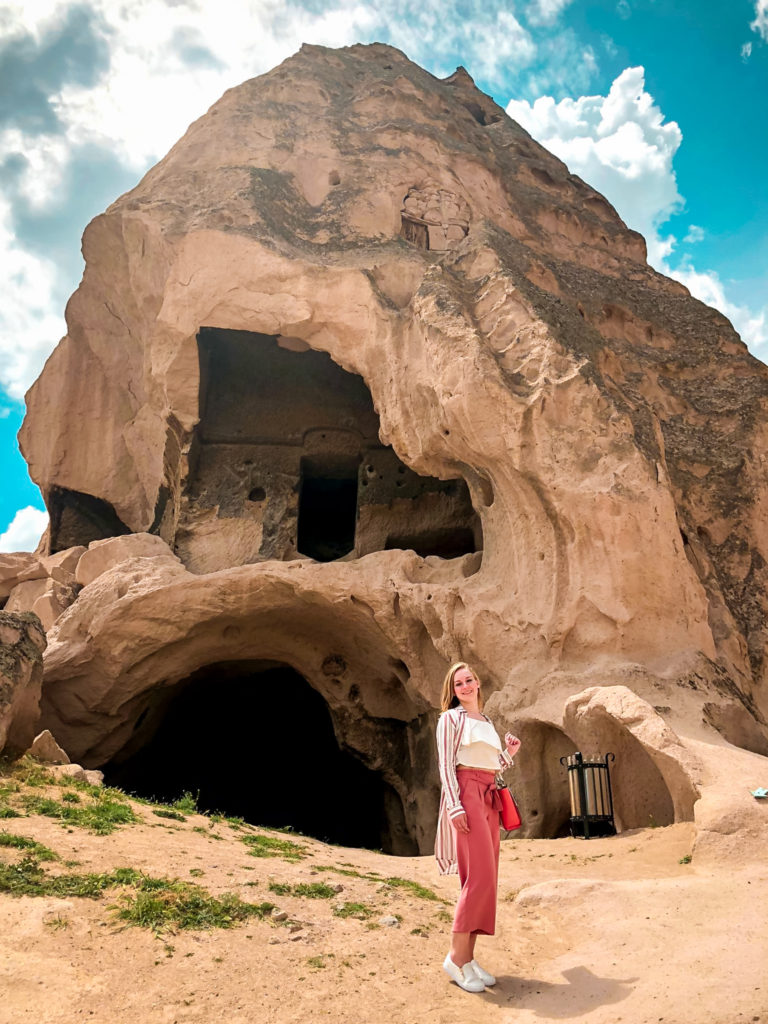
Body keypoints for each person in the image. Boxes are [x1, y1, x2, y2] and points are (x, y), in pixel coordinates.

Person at [435, 661, 521, 993]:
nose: (466, 686)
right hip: (467, 793)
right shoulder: (449, 719)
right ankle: (455, 960)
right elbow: (446, 764)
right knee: (478, 877)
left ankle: (468, 958)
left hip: (488, 794)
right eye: (459, 684)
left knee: (487, 877)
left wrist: (508, 754)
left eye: (469, 680)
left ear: (478, 683)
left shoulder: (485, 721)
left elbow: (490, 765)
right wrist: (455, 805)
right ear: (452, 691)